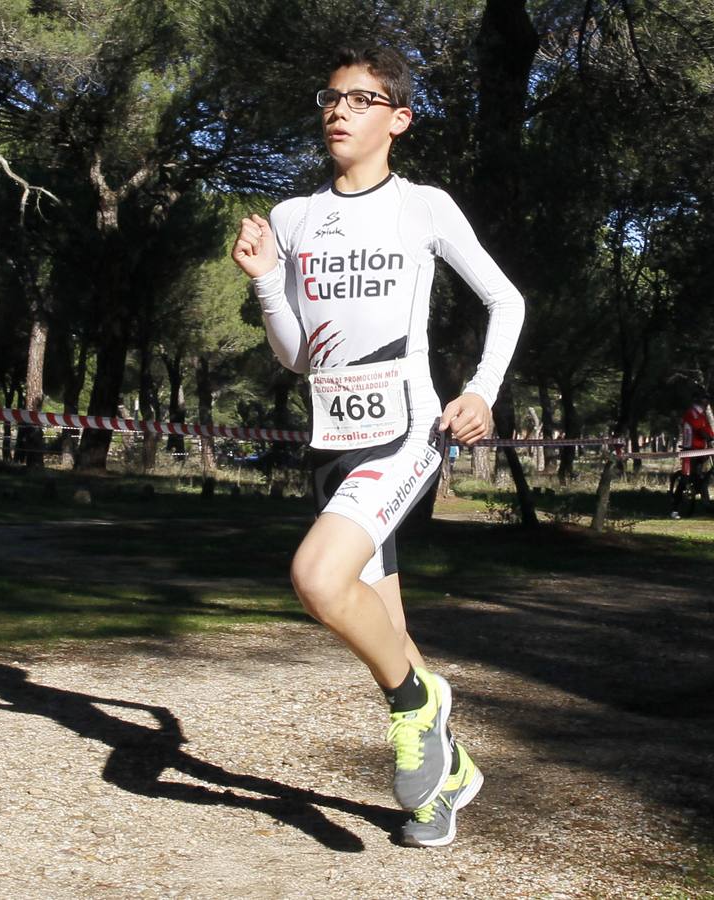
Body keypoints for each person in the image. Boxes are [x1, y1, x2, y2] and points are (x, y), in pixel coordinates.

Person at [230, 46, 523, 847]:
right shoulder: (291, 219)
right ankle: (447, 782)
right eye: (328, 97)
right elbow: (297, 353)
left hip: (406, 429)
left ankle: (418, 704)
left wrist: (482, 391)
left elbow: (506, 300)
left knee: (316, 578)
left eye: (360, 99)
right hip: (331, 435)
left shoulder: (423, 206)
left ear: (397, 119)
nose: (337, 110)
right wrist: (263, 279)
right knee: (383, 626)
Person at [670, 392, 714, 519]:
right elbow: (699, 429)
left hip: (701, 450)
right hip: (689, 450)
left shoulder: (702, 415)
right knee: (685, 479)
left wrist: (711, 436)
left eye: (708, 400)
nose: (707, 403)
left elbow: (708, 429)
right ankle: (674, 509)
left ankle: (706, 507)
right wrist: (707, 435)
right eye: (705, 400)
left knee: (700, 478)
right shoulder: (692, 413)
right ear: (700, 401)